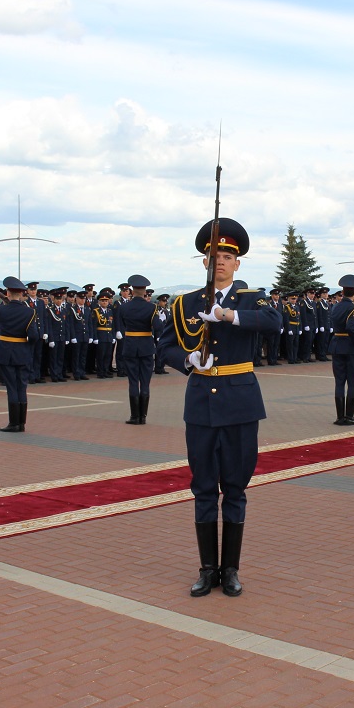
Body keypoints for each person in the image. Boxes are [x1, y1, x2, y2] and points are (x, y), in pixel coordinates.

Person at [158, 218, 281, 598]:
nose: (221, 262)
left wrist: (228, 315)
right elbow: (163, 347)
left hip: (240, 403)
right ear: (205, 262)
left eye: (228, 256)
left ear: (238, 264)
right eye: (214, 256)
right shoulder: (185, 303)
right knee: (203, 487)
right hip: (200, 405)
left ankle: (231, 569)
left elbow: (274, 322)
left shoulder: (250, 298)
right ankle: (207, 568)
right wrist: (188, 360)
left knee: (236, 487)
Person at [0, 277, 39, 432]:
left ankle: (13, 423)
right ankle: (22, 424)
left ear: (7, 292)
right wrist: (26, 346)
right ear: (21, 294)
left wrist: (5, 305)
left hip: (6, 352)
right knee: (22, 387)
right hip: (23, 352)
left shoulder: (0, 309)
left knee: (11, 387)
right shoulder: (29, 311)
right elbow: (33, 336)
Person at [115, 274, 158, 424]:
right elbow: (158, 327)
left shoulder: (124, 307)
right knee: (145, 382)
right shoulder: (152, 308)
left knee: (133, 382)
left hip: (130, 345)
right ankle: (143, 417)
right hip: (146, 346)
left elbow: (120, 325)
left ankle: (134, 416)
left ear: (132, 290)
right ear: (145, 291)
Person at [329, 274, 354, 425]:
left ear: (343, 292)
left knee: (339, 382)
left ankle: (340, 417)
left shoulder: (336, 306)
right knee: (352, 382)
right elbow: (351, 327)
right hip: (351, 347)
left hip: (337, 345)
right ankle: (349, 416)